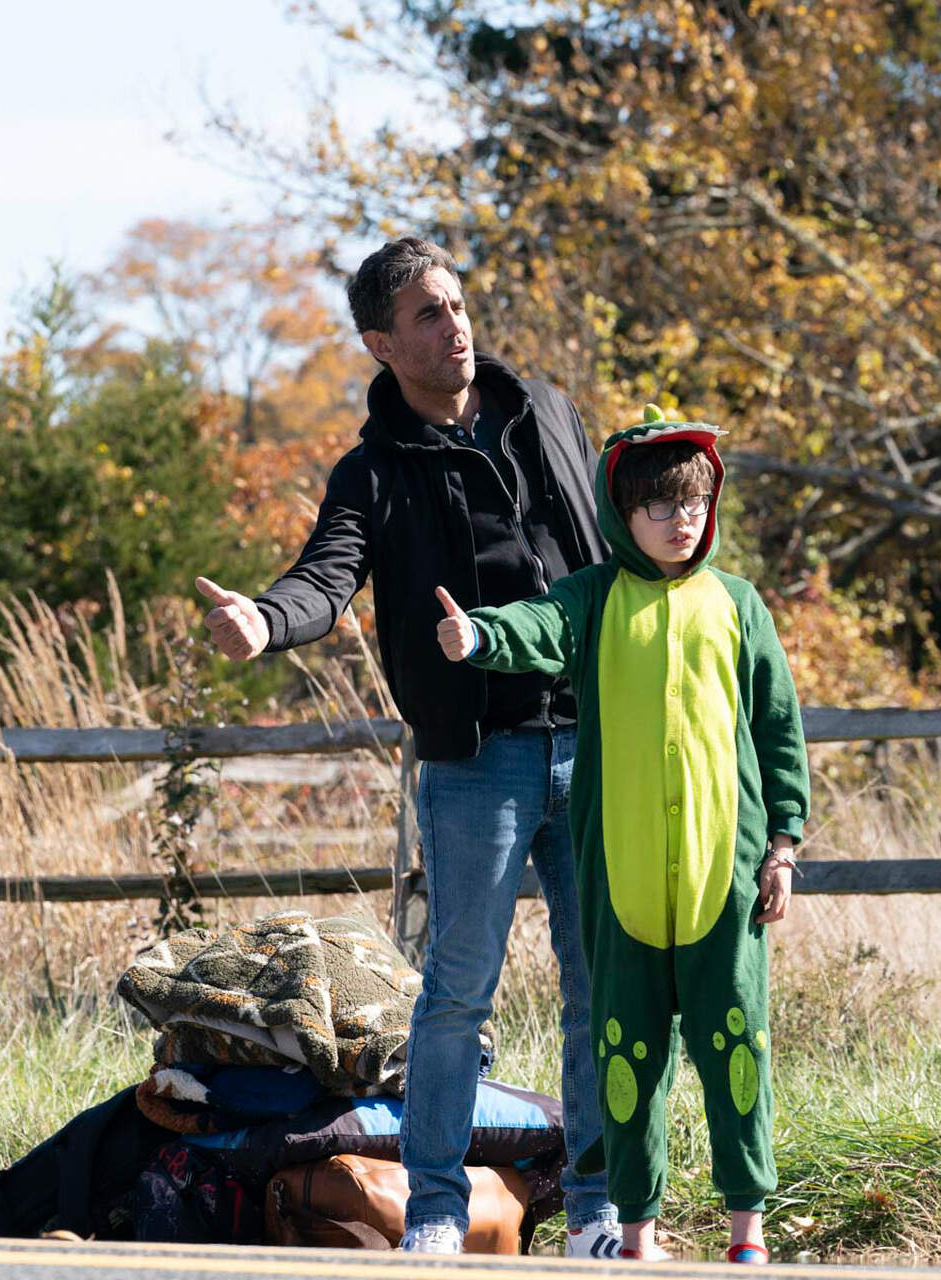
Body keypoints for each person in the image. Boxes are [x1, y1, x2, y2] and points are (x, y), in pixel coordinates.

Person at [196, 237, 622, 1257]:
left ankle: (601, 1208)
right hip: (480, 757)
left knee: (600, 985)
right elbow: (325, 574)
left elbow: (615, 552)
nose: (455, 324)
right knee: (458, 992)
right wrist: (266, 619)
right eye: (428, 314)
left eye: (458, 304)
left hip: (597, 741)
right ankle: (432, 1207)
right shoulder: (374, 470)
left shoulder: (547, 414)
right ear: (383, 342)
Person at [435, 404, 810, 1264]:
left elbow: (779, 729)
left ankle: (746, 1234)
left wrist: (783, 846)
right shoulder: (595, 600)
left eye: (691, 504)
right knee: (627, 1059)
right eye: (657, 507)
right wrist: (479, 635)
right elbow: (535, 627)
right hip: (621, 880)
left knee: (735, 1050)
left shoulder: (740, 605)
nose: (679, 521)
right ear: (622, 514)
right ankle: (635, 1238)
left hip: (728, 880)